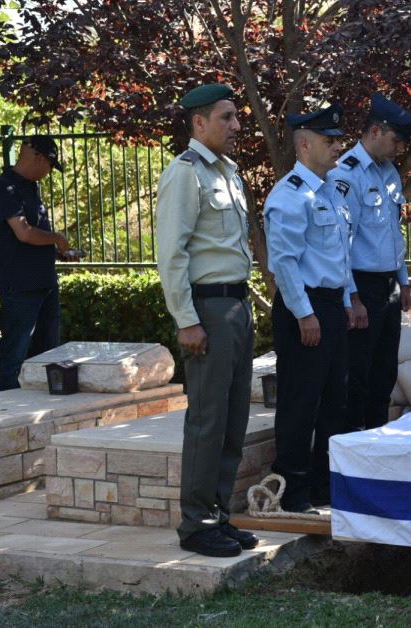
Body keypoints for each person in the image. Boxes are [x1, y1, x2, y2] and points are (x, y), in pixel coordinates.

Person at [156, 83, 257, 557]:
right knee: (207, 421)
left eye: (236, 117)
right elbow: (171, 253)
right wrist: (186, 320)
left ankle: (218, 515)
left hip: (236, 307)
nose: (237, 126)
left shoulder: (228, 173)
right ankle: (196, 526)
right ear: (199, 123)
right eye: (227, 117)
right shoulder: (186, 173)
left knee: (234, 421)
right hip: (209, 311)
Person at [264, 105, 352, 512]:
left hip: (331, 305)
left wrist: (347, 301)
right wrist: (304, 314)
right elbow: (283, 262)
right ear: (304, 144)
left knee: (335, 399)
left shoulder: (330, 189)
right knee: (301, 401)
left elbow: (339, 257)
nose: (337, 146)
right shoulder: (289, 196)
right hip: (306, 308)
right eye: (328, 140)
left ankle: (322, 485)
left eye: (337, 139)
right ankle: (292, 490)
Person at [331, 93, 411, 432]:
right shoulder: (347, 175)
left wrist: (404, 280)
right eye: (395, 140)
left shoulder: (389, 174)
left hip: (389, 286)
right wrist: (351, 297)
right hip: (361, 284)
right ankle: (353, 448)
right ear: (374, 131)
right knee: (358, 375)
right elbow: (342, 241)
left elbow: (392, 232)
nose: (399, 148)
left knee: (384, 374)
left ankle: (377, 444)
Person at [0, 135, 76, 391]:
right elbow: (24, 233)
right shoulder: (4, 187)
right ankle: (2, 417)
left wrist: (55, 250)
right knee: (14, 356)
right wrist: (58, 239)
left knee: (48, 355)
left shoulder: (30, 187)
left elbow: (34, 236)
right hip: (20, 286)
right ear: (39, 158)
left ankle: (43, 414)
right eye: (50, 165)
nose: (50, 172)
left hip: (44, 281)